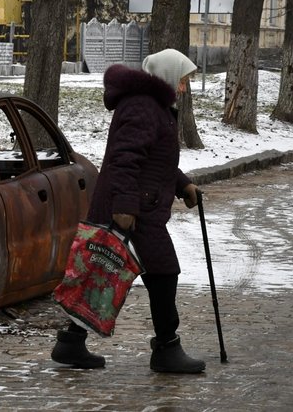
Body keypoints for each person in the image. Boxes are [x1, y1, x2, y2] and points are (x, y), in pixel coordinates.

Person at [51, 48, 206, 374]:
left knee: (100, 272)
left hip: (137, 205)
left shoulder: (154, 107)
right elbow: (124, 159)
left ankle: (71, 343)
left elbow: (155, 161)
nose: (183, 88)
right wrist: (124, 207)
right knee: (163, 273)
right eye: (181, 80)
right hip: (134, 209)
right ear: (166, 76)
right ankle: (166, 348)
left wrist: (184, 185)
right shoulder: (143, 107)